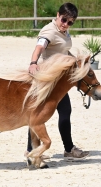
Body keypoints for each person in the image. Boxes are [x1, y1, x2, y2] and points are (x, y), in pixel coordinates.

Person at [25, 2, 89, 162]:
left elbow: (63, 51)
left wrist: (76, 63)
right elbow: (39, 48)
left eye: (70, 22)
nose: (66, 24)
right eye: (64, 20)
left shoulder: (65, 33)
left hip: (58, 80)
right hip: (47, 79)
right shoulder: (49, 31)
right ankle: (30, 150)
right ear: (57, 15)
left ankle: (68, 149)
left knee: (65, 111)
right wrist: (33, 63)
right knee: (36, 114)